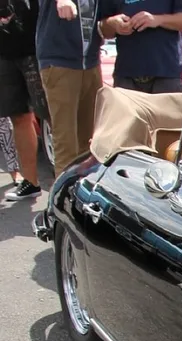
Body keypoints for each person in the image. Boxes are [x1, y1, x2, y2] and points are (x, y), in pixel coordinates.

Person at [36, 0, 104, 173]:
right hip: (60, 61)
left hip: (91, 60)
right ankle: (64, 190)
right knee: (66, 143)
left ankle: (84, 188)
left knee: (91, 143)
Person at [99, 0, 182, 93]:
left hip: (166, 74)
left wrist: (157, 20)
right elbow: (102, 29)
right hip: (126, 75)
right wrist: (112, 23)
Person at [0, 0, 45, 200]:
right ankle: (31, 181)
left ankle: (67, 183)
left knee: (52, 116)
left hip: (37, 47)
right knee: (18, 116)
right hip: (5, 51)